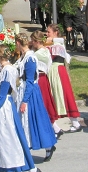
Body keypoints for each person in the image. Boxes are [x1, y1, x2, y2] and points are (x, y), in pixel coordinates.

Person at [15, 33, 58, 161]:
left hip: (30, 93)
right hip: (23, 90)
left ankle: (48, 146)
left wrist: (25, 100)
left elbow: (30, 80)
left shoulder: (30, 58)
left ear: (18, 43)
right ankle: (24, 149)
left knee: (36, 119)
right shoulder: (23, 56)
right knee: (25, 121)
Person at [44, 24, 83, 133]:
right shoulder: (51, 43)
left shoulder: (58, 44)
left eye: (49, 32)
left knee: (62, 95)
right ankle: (58, 126)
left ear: (55, 32)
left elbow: (51, 54)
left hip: (57, 71)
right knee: (54, 96)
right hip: (53, 70)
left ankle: (74, 123)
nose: (47, 34)